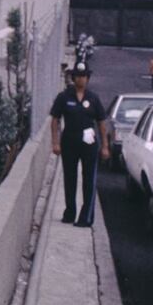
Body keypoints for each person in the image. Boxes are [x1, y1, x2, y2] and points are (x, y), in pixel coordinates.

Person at [50, 62, 108, 227]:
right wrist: (55, 142)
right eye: (77, 76)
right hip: (69, 142)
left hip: (89, 144)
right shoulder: (64, 97)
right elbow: (55, 120)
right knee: (70, 178)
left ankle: (86, 217)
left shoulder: (93, 98)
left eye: (83, 76)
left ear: (88, 78)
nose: (80, 79)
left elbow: (102, 122)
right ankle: (69, 213)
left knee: (89, 179)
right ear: (73, 77)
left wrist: (104, 146)